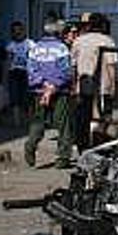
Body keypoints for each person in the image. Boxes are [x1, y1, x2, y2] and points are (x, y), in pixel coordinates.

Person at [24, 19, 73, 168]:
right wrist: (53, 87)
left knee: (38, 121)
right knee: (63, 125)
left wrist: (45, 85)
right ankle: (62, 158)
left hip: (39, 91)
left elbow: (31, 72)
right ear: (58, 33)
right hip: (60, 91)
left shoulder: (35, 49)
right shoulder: (62, 48)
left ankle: (30, 145)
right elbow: (66, 72)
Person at [71, 13, 118, 151]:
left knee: (82, 119)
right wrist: (113, 87)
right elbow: (111, 66)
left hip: (83, 85)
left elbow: (73, 66)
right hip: (103, 87)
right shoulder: (107, 41)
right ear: (103, 25)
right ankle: (101, 147)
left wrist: (74, 86)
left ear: (89, 25)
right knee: (103, 119)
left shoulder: (79, 40)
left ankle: (82, 148)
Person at [5, 21, 32, 127]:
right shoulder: (10, 45)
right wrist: (6, 76)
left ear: (23, 31)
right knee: (15, 98)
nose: (17, 33)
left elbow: (32, 59)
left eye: (19, 30)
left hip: (26, 72)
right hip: (14, 72)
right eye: (15, 31)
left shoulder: (30, 44)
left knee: (27, 98)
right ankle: (17, 122)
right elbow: (8, 61)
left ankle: (28, 121)